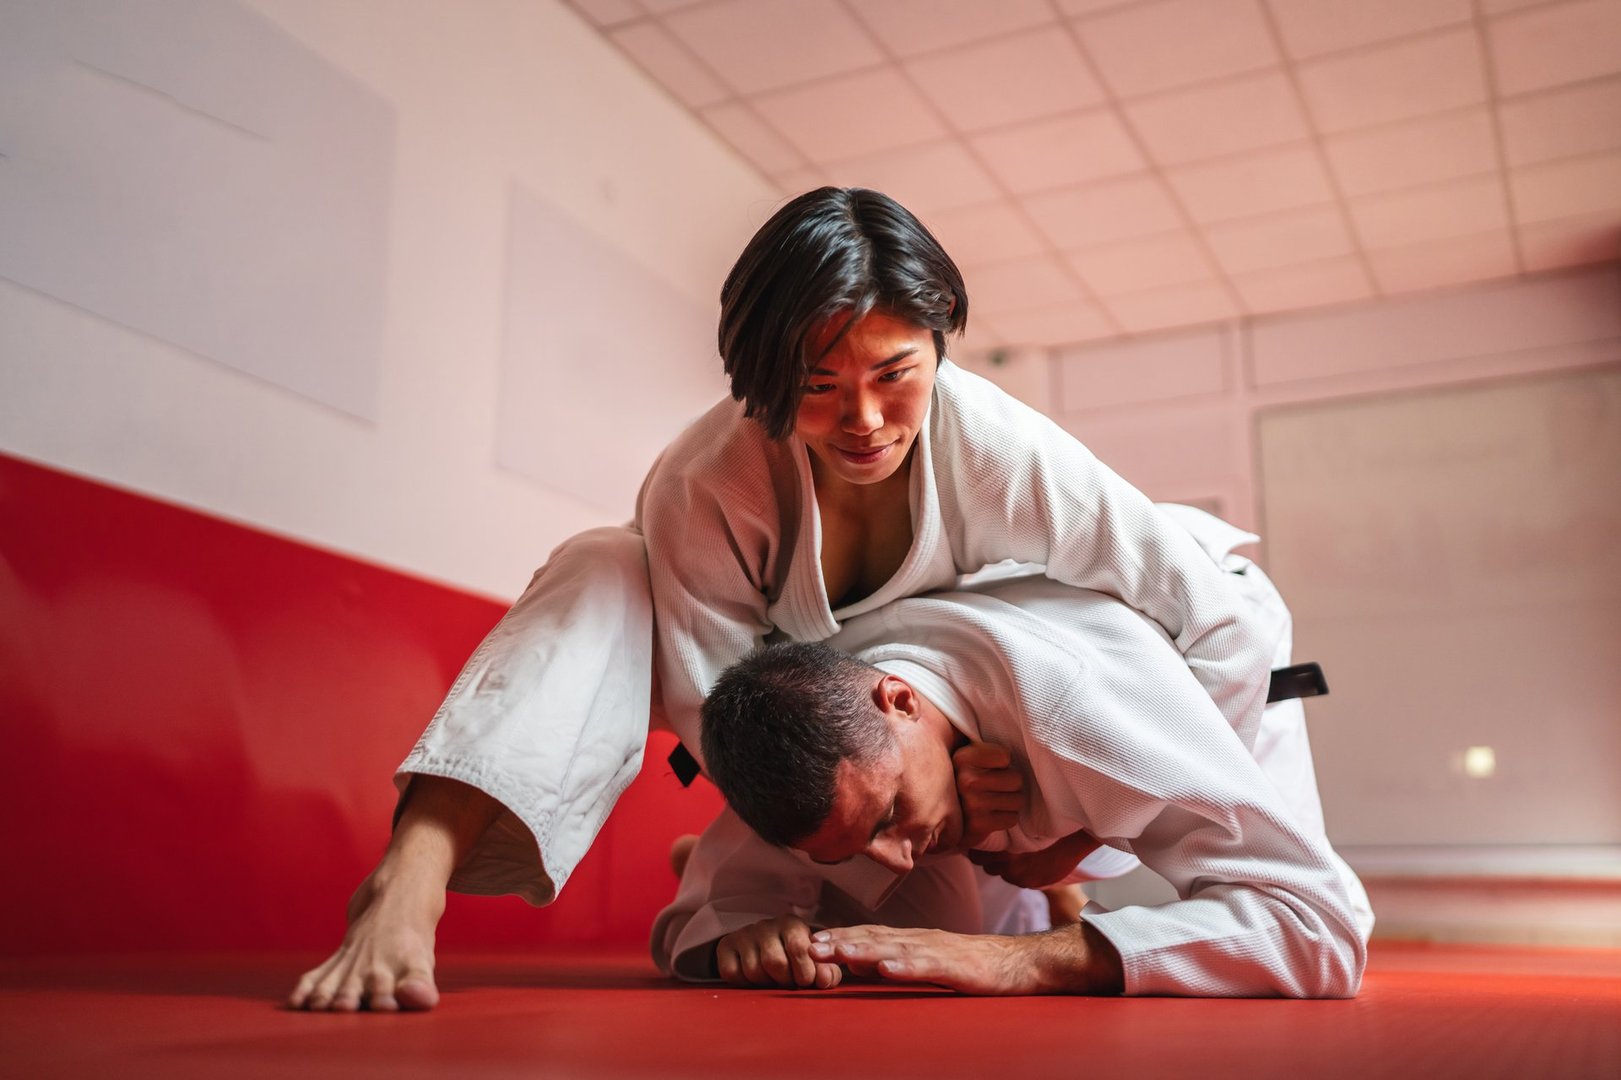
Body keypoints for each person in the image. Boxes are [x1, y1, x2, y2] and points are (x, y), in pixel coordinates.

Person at [290, 189, 1284, 1011]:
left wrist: (1074, 836)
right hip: (822, 741)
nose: (862, 420)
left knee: (931, 926)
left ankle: (779, 868)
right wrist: (785, 841)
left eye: (895, 374)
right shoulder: (706, 482)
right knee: (599, 563)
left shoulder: (998, 450)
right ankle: (409, 878)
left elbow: (1221, 619)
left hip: (967, 743)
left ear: (940, 346)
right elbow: (726, 722)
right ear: (760, 380)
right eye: (817, 384)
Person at [657, 508, 1369, 997]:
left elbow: (1322, 934)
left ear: (903, 702)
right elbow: (689, 927)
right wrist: (741, 938)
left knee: (971, 935)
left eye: (891, 816)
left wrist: (1025, 956)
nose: (898, 857)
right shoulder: (821, 730)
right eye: (847, 850)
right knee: (921, 942)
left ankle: (1055, 875)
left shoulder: (1091, 722)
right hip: (1003, 645)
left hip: (1201, 628)